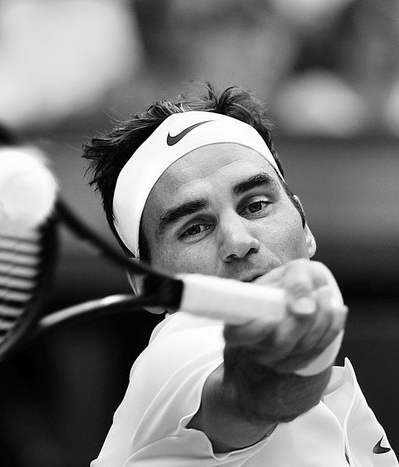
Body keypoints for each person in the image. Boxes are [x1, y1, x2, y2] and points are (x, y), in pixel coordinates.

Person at [82, 82, 397, 466]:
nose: (238, 240)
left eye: (256, 205)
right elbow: (251, 393)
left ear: (305, 225)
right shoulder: (175, 354)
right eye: (194, 228)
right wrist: (290, 358)